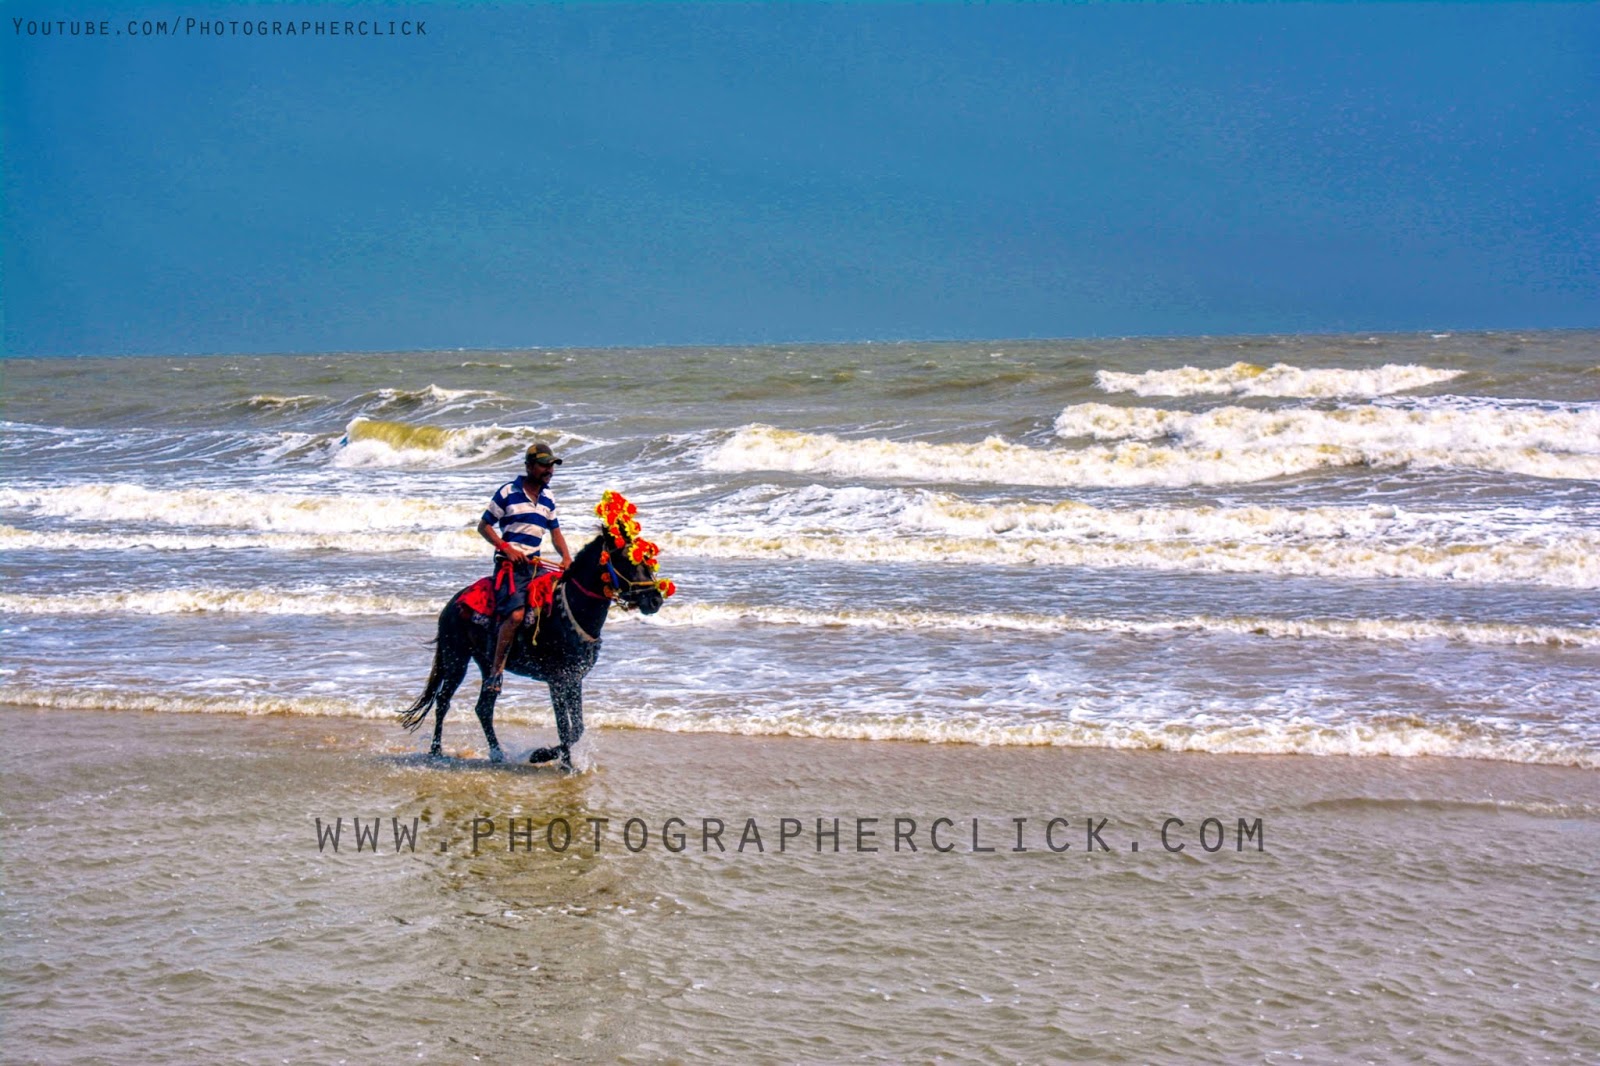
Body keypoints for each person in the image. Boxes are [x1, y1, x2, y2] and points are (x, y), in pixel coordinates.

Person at [477, 441, 574, 693]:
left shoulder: (548, 498)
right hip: (510, 568)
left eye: (551, 465)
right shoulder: (508, 492)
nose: (549, 470)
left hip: (536, 566)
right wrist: (506, 548)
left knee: (563, 601)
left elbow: (556, 533)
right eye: (544, 465)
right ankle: (495, 672)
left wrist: (566, 557)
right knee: (517, 615)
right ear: (529, 466)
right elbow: (484, 526)